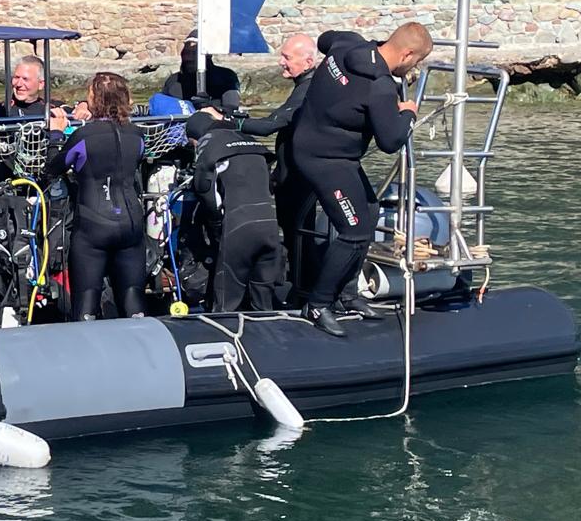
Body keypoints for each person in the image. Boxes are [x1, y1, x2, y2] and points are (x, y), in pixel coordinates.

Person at [291, 23, 434, 337]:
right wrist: (408, 112)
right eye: (417, 61)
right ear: (407, 54)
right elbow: (390, 141)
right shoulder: (380, 87)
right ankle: (317, 304)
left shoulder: (348, 44)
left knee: (369, 211)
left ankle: (347, 295)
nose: (414, 68)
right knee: (353, 230)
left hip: (318, 145)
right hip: (324, 159)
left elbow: (323, 39)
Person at [45, 72, 148, 321]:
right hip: (131, 225)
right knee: (134, 303)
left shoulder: (84, 136)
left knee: (86, 305)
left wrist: (56, 135)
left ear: (94, 100)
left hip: (93, 227)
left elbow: (52, 169)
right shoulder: (137, 135)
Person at [186, 98, 287, 313]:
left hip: (238, 228)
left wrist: (216, 227)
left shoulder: (209, 144)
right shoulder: (251, 141)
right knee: (263, 301)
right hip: (270, 225)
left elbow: (206, 192)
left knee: (226, 303)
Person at [237, 33, 320, 277]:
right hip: (289, 172)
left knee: (298, 235)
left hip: (298, 177)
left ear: (308, 62)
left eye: (287, 57)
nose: (281, 62)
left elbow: (270, 125)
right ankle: (298, 281)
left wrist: (230, 121)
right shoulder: (305, 86)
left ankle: (303, 286)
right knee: (293, 234)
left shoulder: (308, 90)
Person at [162, 31, 240, 110]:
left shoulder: (226, 77)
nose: (189, 58)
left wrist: (209, 107)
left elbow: (231, 108)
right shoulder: (174, 81)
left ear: (207, 55)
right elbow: (162, 109)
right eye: (186, 53)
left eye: (194, 53)